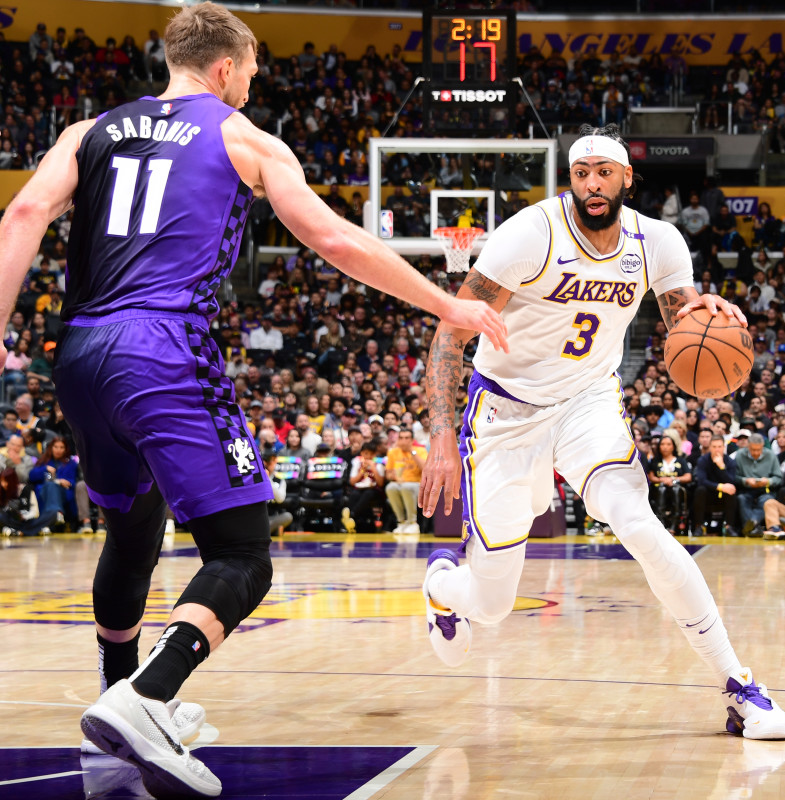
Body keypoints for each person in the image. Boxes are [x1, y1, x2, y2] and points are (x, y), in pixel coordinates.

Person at [0, 5, 508, 795]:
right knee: (241, 554)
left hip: (80, 353)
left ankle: (115, 704)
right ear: (227, 69)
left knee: (131, 529)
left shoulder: (87, 131)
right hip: (164, 349)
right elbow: (335, 240)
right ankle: (149, 697)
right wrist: (447, 304)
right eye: (256, 71)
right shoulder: (244, 138)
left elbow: (26, 213)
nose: (256, 84)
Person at [417, 124, 785, 740]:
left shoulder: (658, 242)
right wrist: (438, 436)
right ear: (572, 179)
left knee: (640, 524)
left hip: (587, 401)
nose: (593, 183)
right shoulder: (528, 234)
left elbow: (683, 318)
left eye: (604, 173)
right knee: (491, 605)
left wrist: (709, 311)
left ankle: (740, 686)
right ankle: (444, 585)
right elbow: (450, 333)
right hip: (505, 411)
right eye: (582, 172)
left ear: (626, 179)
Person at [733, 433, 785, 536]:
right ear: (748, 446)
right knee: (741, 499)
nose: (756, 452)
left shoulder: (771, 455)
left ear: (763, 447)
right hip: (746, 490)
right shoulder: (739, 455)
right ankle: (754, 528)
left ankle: (750, 526)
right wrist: (745, 480)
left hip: (765, 490)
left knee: (766, 501)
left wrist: (768, 481)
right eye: (753, 450)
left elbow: (779, 478)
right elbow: (734, 477)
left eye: (758, 450)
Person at [691, 436, 739, 537]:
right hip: (708, 493)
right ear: (710, 447)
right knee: (700, 490)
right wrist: (720, 487)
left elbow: (731, 482)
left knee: (731, 491)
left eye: (719, 446)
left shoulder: (730, 461)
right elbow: (702, 481)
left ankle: (729, 527)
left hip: (723, 496)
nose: (717, 449)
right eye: (714, 446)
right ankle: (699, 526)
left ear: (724, 447)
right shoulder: (703, 460)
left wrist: (722, 467)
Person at [647, 432, 692, 534]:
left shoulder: (681, 460)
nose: (665, 447)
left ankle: (674, 524)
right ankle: (661, 522)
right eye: (662, 444)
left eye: (668, 444)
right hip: (659, 489)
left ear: (673, 446)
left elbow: (688, 477)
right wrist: (661, 480)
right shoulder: (655, 461)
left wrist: (673, 479)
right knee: (661, 489)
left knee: (675, 490)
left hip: (677, 488)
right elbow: (651, 476)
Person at [385, 426, 426, 534]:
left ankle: (413, 523)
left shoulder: (420, 450)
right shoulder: (393, 452)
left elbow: (425, 469)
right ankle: (401, 522)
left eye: (407, 438)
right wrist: (393, 476)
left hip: (417, 484)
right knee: (390, 487)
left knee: (406, 487)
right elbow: (388, 474)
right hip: (399, 484)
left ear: (412, 440)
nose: (404, 441)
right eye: (401, 438)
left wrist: (411, 451)